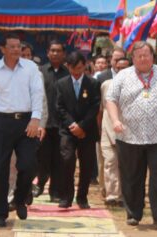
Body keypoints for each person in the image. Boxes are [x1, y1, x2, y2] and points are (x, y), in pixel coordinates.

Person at [105, 41, 157, 226]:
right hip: (129, 137)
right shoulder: (122, 76)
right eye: (139, 55)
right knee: (132, 176)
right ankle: (133, 213)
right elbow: (110, 99)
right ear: (133, 58)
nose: (143, 58)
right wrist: (115, 120)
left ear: (153, 57)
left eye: (146, 55)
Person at [0, 33, 45, 228]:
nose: (17, 49)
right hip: (1, 123)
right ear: (2, 49)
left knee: (29, 164)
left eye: (19, 46)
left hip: (26, 122)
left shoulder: (31, 68)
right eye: (12, 46)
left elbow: (37, 93)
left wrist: (35, 119)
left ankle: (21, 196)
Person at [54, 52, 100, 209]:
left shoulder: (93, 83)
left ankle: (82, 197)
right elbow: (59, 107)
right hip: (68, 130)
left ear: (85, 65)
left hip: (87, 130)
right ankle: (66, 196)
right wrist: (73, 125)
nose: (77, 72)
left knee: (87, 164)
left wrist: (82, 126)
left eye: (80, 68)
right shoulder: (61, 83)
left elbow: (95, 107)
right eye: (73, 68)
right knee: (67, 160)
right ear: (68, 66)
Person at [34, 40, 69, 201]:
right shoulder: (40, 72)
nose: (55, 53)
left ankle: (55, 192)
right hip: (43, 125)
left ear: (63, 54)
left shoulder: (68, 74)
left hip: (62, 124)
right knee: (42, 157)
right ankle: (40, 183)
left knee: (59, 159)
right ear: (47, 53)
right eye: (52, 50)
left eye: (58, 51)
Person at [98, 57, 130, 207]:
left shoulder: (137, 87)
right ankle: (112, 195)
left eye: (125, 68)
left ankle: (123, 195)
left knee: (125, 164)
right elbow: (101, 110)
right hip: (107, 129)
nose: (122, 71)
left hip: (129, 133)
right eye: (119, 68)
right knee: (110, 162)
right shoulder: (106, 85)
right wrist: (99, 129)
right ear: (115, 69)